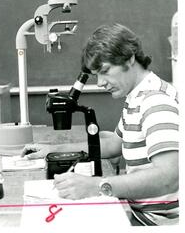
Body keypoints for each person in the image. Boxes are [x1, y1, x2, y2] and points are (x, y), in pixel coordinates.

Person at [21, 24, 179, 226]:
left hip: (159, 223)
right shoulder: (138, 95)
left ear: (129, 58)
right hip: (142, 214)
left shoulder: (156, 101)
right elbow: (115, 144)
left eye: (105, 71)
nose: (101, 83)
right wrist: (53, 150)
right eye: (96, 75)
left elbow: (169, 176)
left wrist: (96, 185)